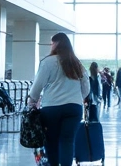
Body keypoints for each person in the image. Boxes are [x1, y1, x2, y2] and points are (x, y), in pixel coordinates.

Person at [28, 32, 89, 166]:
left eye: (52, 43)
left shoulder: (48, 62)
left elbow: (37, 86)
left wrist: (32, 101)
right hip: (74, 108)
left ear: (56, 44)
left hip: (52, 108)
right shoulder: (76, 63)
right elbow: (86, 86)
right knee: (68, 140)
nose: (51, 46)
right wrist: (78, 98)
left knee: (51, 140)